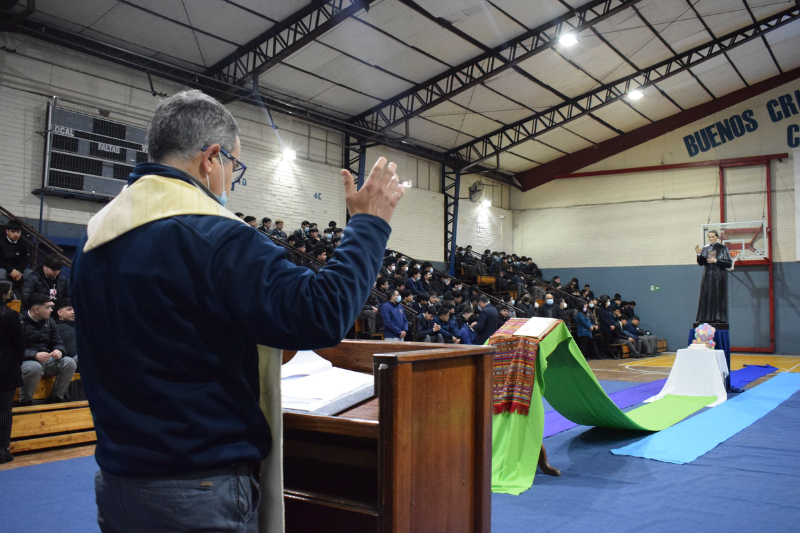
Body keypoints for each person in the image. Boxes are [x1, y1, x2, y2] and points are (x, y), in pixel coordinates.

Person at [70, 90, 404, 533]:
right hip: (198, 490)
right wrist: (369, 224)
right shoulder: (211, 236)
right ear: (211, 158)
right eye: (233, 165)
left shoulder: (94, 242)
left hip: (118, 482)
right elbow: (322, 312)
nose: (231, 177)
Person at [19, 294, 75, 405]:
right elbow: (14, 349)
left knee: (69, 362)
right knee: (34, 368)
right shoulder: (19, 321)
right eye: (48, 307)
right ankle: (25, 402)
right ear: (37, 309)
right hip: (25, 360)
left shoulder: (50, 321)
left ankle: (57, 398)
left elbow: (58, 342)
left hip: (46, 359)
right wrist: (35, 355)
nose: (51, 310)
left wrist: (59, 350)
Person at [0, 280, 24, 464]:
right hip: (5, 366)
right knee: (5, 410)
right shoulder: (10, 315)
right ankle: (3, 449)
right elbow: (19, 344)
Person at [695, 229, 732, 323]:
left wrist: (716, 261)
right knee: (706, 295)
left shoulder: (723, 248)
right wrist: (699, 254)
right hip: (707, 276)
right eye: (709, 237)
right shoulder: (705, 248)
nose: (711, 238)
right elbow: (701, 263)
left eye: (713, 236)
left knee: (718, 296)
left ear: (717, 237)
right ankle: (705, 317)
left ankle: (718, 317)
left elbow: (729, 264)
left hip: (719, 276)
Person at [0, 220, 32, 298]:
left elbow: (24, 260)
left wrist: (18, 271)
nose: (16, 234)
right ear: (7, 231)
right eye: (13, 232)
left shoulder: (22, 242)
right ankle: (2, 296)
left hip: (17, 270)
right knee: (1, 272)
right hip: (4, 268)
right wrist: (11, 270)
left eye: (18, 232)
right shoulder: (1, 241)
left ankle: (26, 298)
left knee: (30, 273)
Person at [53, 298, 78, 367]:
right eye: (69, 310)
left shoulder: (79, 326)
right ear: (59, 312)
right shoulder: (54, 327)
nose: (73, 312)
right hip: (68, 361)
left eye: (74, 309)